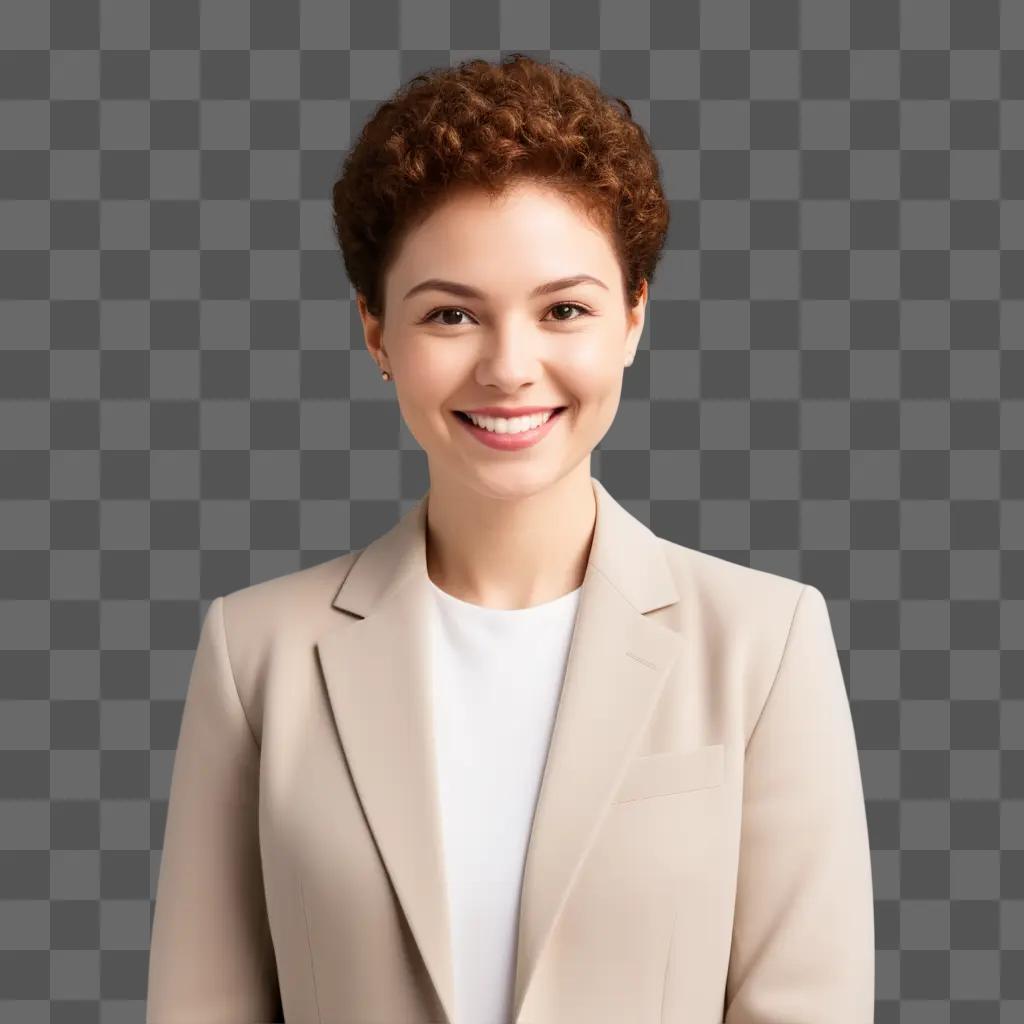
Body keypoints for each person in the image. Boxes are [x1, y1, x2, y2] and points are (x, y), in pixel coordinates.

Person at [147, 53, 874, 1024]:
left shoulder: (763, 642)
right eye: (450, 314)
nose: (508, 366)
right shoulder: (256, 654)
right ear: (376, 333)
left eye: (563, 309)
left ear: (632, 318)